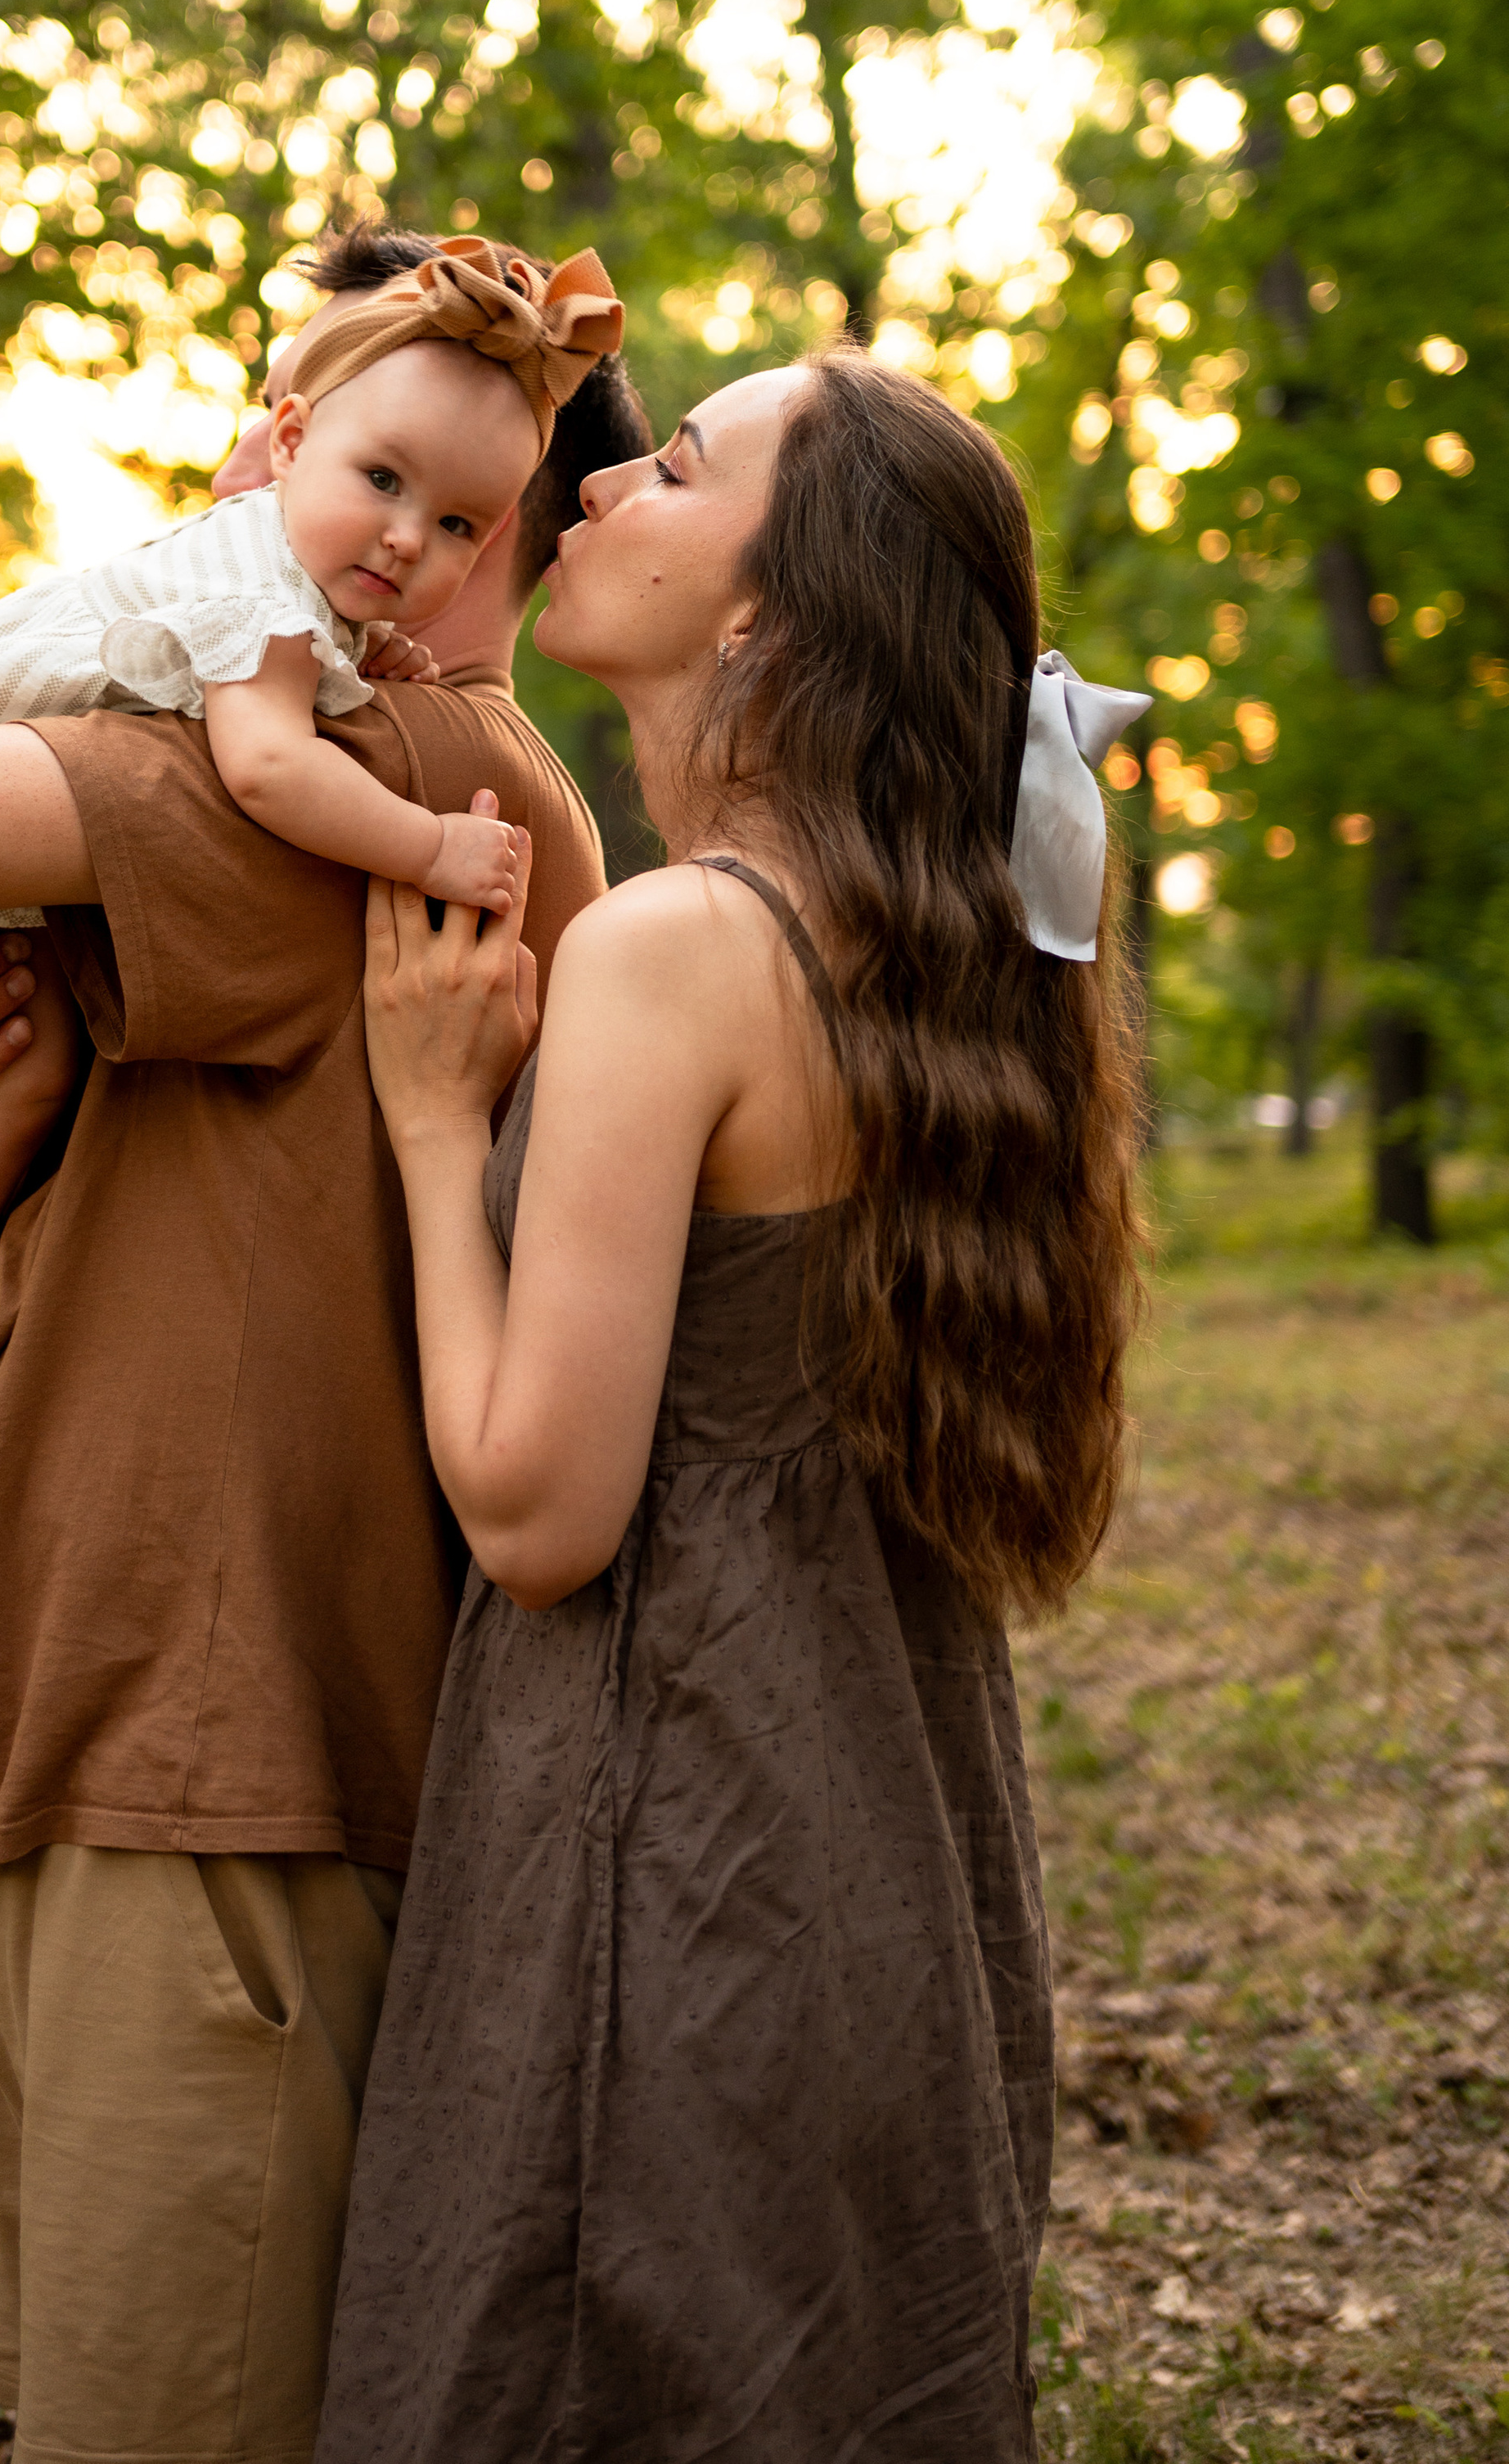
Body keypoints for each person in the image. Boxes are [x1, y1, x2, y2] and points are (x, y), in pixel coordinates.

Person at [0, 215, 652, 2464]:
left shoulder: (420, 788)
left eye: (454, 514)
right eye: (354, 478)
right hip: (57, 1710)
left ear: (517, 550)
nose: (373, 550)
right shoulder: (215, 740)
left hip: (208, 1746)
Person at [313, 354, 1148, 2463]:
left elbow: (535, 1510)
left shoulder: (677, 947)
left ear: (769, 608)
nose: (603, 486)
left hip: (662, 1849)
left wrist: (429, 1126)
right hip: (880, 1847)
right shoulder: (930, 942)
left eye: (676, 468)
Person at [0, 236, 622, 1346]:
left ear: (483, 520)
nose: (240, 461)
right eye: (272, 410)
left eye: (295, 408)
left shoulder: (376, 767)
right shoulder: (268, 702)